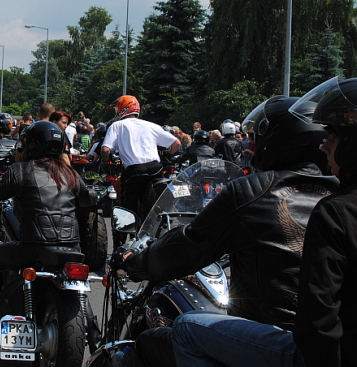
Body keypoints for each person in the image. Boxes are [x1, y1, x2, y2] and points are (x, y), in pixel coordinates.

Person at [113, 96, 338, 367]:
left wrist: (136, 262)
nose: (251, 146)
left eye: (257, 138)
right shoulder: (341, 195)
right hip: (331, 346)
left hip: (279, 341)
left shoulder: (255, 191)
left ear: (282, 140)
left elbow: (189, 246)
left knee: (174, 332)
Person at [0, 121, 96, 311]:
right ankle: (92, 330)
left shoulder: (20, 171)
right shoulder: (70, 174)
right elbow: (89, 199)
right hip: (72, 250)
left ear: (32, 145)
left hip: (33, 249)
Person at [101, 95, 180, 216]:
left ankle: (126, 233)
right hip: (156, 169)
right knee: (156, 203)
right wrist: (167, 154)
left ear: (122, 109)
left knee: (128, 209)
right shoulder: (152, 125)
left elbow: (105, 149)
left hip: (135, 171)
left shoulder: (117, 126)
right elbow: (176, 143)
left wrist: (106, 160)